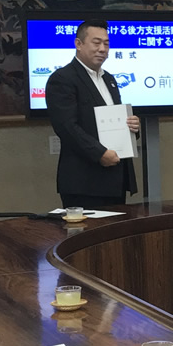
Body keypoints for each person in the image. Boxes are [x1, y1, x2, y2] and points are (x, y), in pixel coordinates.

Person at [46, 19, 139, 207]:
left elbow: (114, 120)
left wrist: (132, 126)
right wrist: (100, 154)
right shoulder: (62, 79)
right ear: (78, 44)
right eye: (96, 43)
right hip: (84, 182)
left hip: (115, 178)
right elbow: (66, 127)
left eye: (106, 43)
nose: (102, 49)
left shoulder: (109, 79)